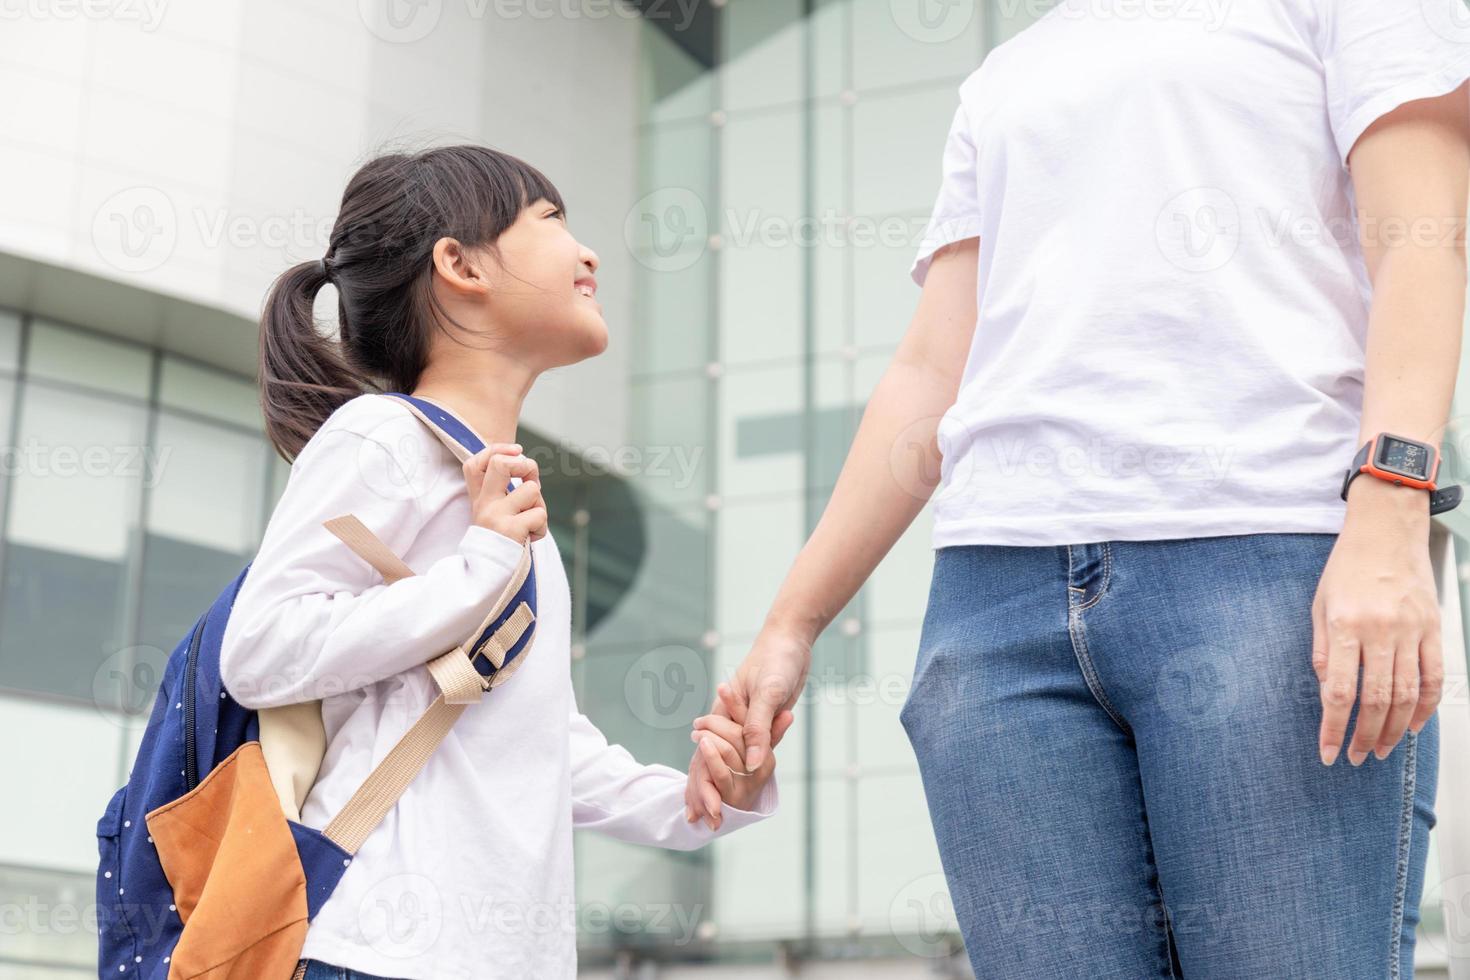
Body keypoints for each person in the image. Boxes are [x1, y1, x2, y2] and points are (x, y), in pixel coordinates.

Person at [687, 0, 1470, 975]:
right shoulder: (1003, 78)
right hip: (993, 608)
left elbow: (1424, 236)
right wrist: (791, 624)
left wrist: (1393, 504)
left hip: (1263, 560)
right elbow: (932, 369)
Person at [219, 145, 794, 980]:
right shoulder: (381, 437)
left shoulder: (500, 493)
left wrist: (700, 800)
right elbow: (260, 649)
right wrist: (480, 563)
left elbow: (538, 743)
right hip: (382, 947)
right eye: (552, 220)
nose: (587, 252)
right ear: (459, 265)